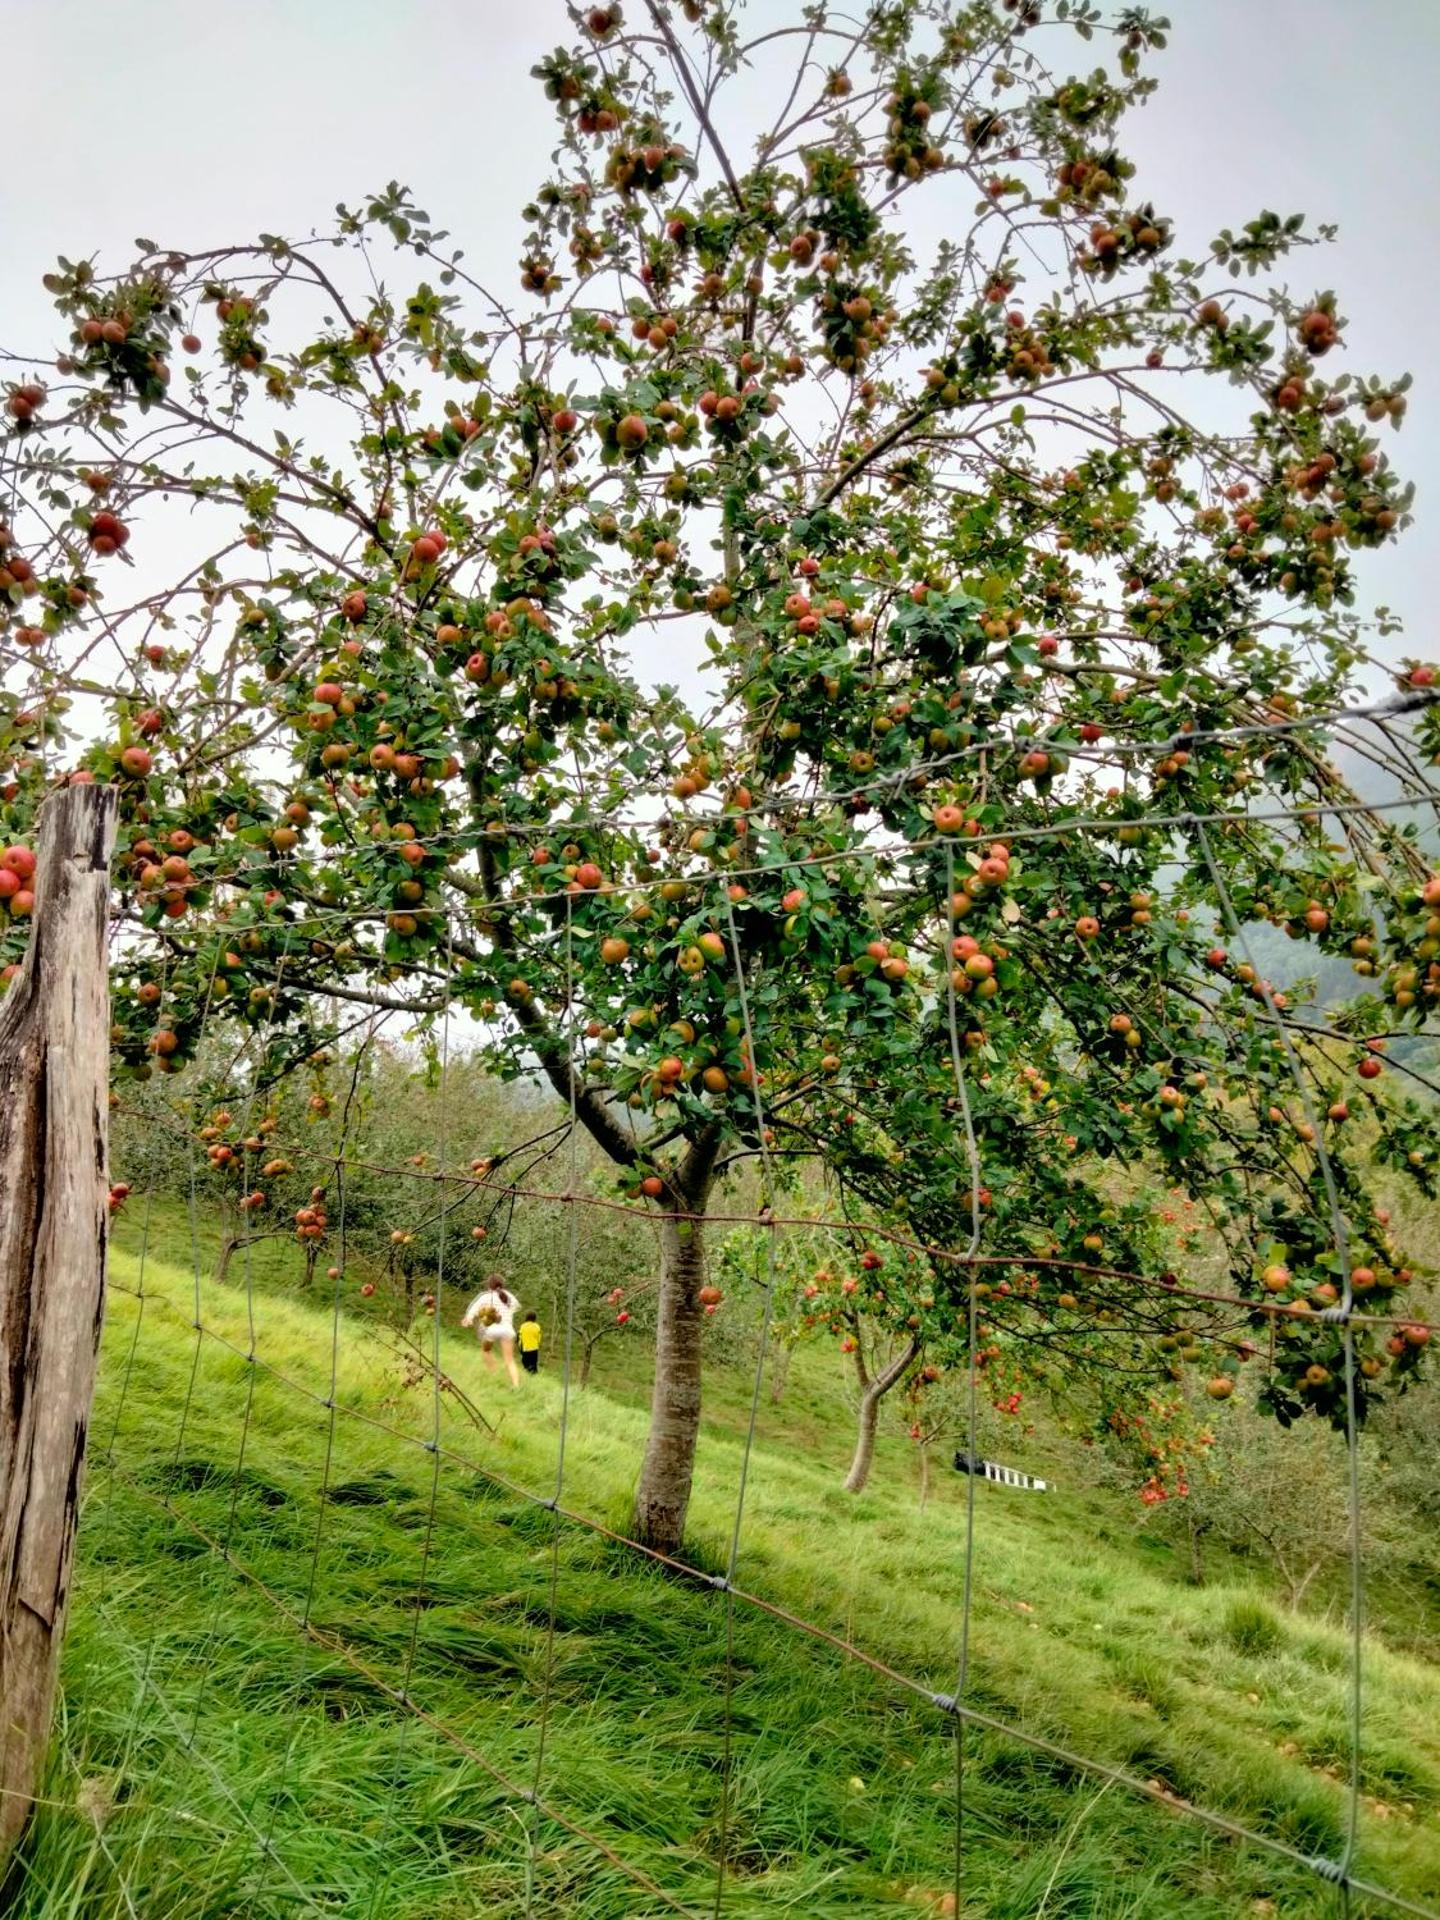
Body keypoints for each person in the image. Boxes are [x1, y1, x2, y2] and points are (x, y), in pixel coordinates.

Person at [461, 1274, 521, 1387]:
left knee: (486, 1350)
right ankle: (516, 1385)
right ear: (502, 1284)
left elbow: (474, 1309)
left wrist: (468, 1319)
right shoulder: (508, 1296)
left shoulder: (485, 1296)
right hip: (507, 1329)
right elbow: (516, 1307)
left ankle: (494, 1374)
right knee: (509, 1360)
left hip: (491, 1329)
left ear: (489, 1285)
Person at [518, 1311, 542, 1375]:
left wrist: (520, 1347)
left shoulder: (523, 1326)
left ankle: (528, 1376)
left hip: (525, 1348)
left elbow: (520, 1337)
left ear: (526, 1317)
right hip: (534, 1349)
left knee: (526, 1365)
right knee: (534, 1365)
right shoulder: (537, 1326)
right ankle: (534, 1376)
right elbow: (539, 1338)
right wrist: (537, 1344)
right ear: (535, 1318)